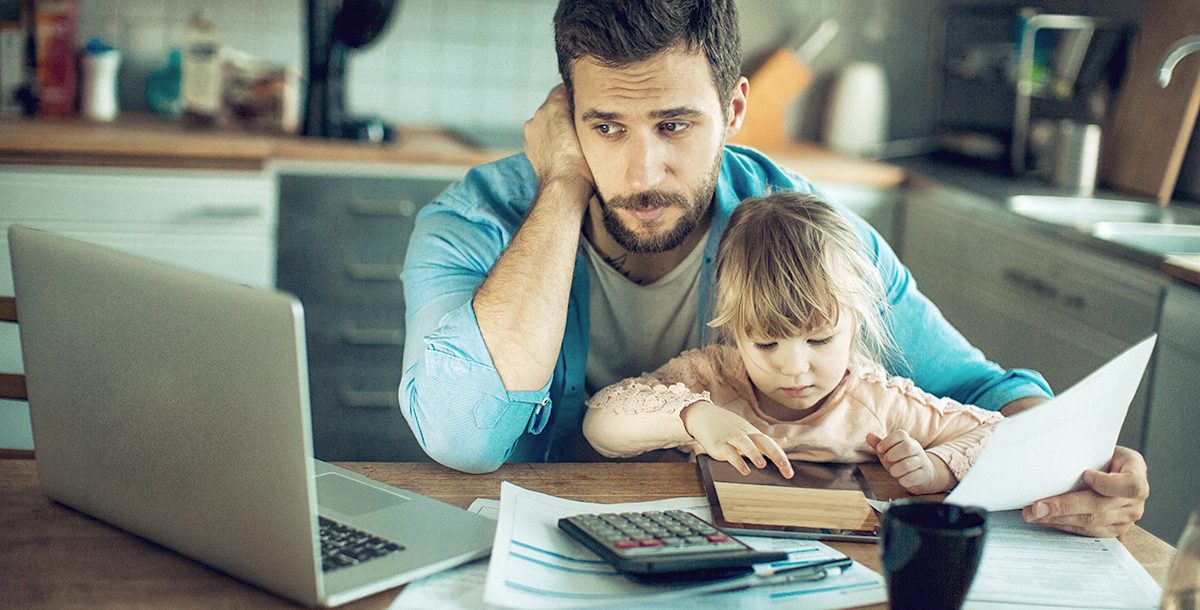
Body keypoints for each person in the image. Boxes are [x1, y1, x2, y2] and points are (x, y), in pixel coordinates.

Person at [399, 0, 1149, 537]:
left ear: (733, 108)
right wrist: (562, 186)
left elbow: (984, 392)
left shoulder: (798, 229)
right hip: (531, 554)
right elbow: (463, 434)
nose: (641, 171)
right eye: (606, 126)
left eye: (674, 125)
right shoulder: (477, 219)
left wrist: (1072, 466)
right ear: (566, 116)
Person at [583, 191, 1003, 495]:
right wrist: (694, 417)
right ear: (735, 331)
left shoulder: (879, 402)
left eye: (819, 339)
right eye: (767, 344)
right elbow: (599, 425)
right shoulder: (712, 378)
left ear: (855, 323)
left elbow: (998, 435)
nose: (796, 368)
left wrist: (935, 469)